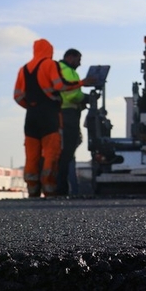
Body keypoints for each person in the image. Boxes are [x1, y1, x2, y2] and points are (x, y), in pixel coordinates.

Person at [13, 39, 89, 198]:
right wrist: (82, 83)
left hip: (31, 116)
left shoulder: (24, 69)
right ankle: (49, 190)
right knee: (51, 153)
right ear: (49, 51)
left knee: (32, 154)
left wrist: (30, 107)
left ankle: (33, 191)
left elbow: (18, 96)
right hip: (49, 115)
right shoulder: (50, 65)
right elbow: (60, 86)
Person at [56, 48, 87, 197]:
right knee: (67, 152)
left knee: (68, 149)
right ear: (70, 57)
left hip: (66, 113)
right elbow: (72, 95)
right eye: (78, 60)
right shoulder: (67, 71)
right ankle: (62, 188)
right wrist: (85, 98)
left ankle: (64, 187)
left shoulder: (65, 69)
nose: (80, 63)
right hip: (67, 114)